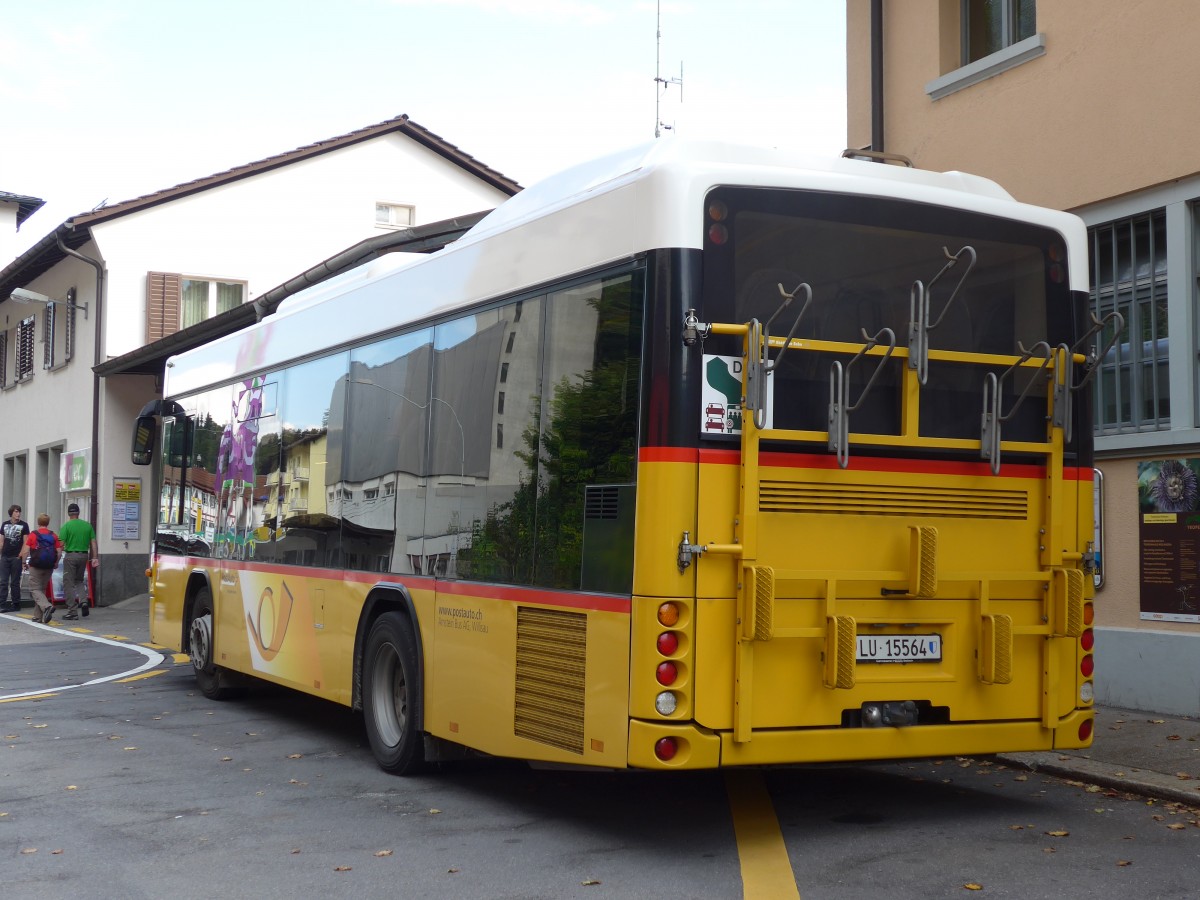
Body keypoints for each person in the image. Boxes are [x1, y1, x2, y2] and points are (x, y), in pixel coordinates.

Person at [19, 513, 62, 624]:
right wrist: (56, 562)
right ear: (48, 523)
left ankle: (47, 606)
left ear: (38, 522)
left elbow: (25, 551)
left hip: (36, 566)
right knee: (41, 590)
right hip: (49, 566)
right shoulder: (53, 535)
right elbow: (59, 552)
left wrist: (24, 562)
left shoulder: (33, 535)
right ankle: (38, 616)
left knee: (34, 589)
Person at [59, 502, 98, 620]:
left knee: (68, 583)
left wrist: (57, 558)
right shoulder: (87, 526)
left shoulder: (66, 526)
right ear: (78, 513)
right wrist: (95, 557)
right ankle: (84, 601)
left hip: (70, 556)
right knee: (79, 580)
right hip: (84, 556)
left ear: (68, 513)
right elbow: (93, 543)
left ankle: (72, 611)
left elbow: (60, 544)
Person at [0, 504, 29, 613]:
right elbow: (1, 541)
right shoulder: (4, 524)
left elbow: (26, 542)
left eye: (19, 511)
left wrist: (21, 556)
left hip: (16, 557)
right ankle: (2, 603)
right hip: (5, 556)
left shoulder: (24, 525)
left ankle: (16, 604)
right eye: (16, 511)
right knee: (3, 581)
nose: (18, 513)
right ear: (11, 513)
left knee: (15, 582)